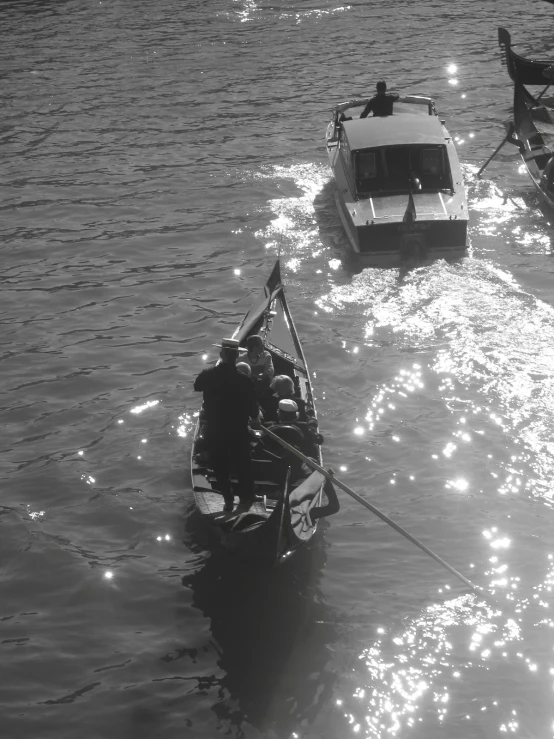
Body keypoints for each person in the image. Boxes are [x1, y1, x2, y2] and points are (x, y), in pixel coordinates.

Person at [194, 338, 259, 513]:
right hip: (238, 431)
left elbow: (196, 386)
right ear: (237, 356)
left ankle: (228, 500)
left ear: (221, 354)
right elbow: (253, 412)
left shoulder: (208, 376)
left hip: (215, 430)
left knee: (220, 466)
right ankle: (246, 499)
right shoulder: (244, 380)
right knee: (243, 465)